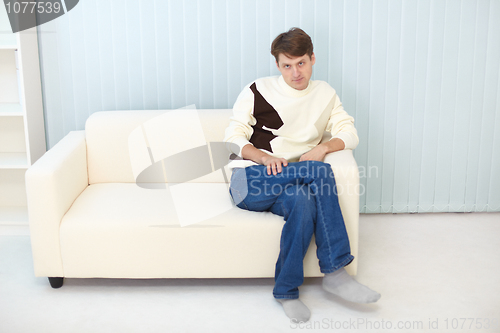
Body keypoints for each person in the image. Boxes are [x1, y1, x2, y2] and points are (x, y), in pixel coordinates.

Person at [223, 27, 380, 323]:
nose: (295, 72)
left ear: (312, 59)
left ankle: (286, 291)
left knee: (304, 202)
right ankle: (335, 271)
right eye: (287, 65)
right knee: (318, 172)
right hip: (250, 181)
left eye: (301, 63)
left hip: (292, 181)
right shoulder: (258, 90)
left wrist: (324, 146)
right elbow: (232, 136)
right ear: (278, 64)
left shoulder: (325, 94)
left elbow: (349, 133)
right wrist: (263, 156)